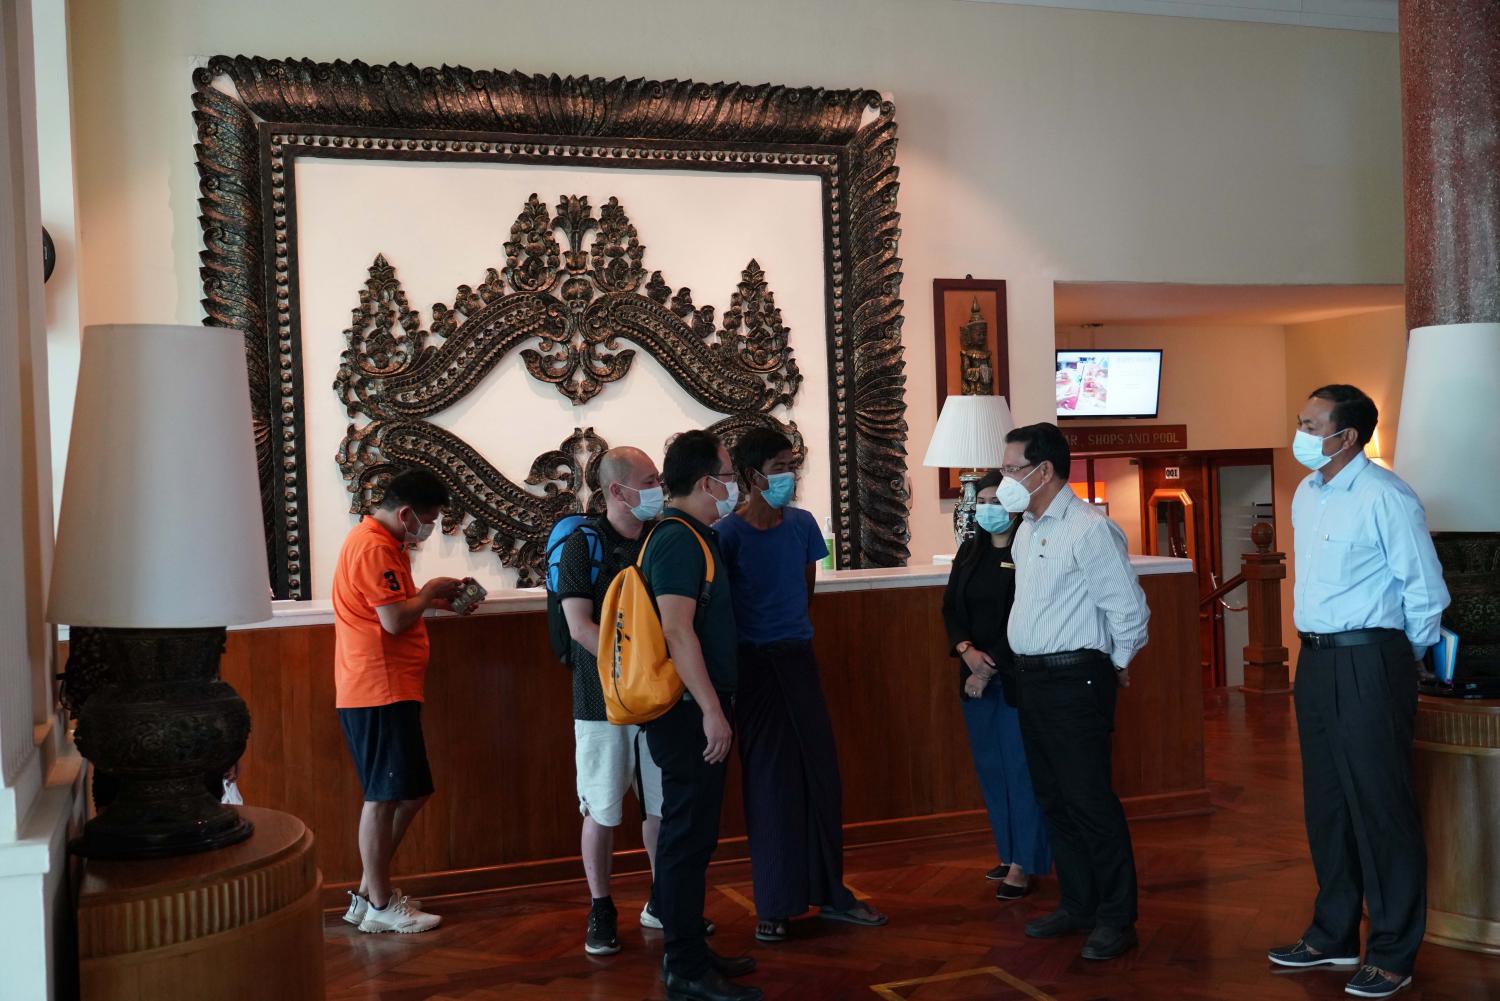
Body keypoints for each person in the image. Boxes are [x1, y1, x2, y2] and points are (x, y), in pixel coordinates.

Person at [1268, 385, 1449, 1000]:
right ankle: (1333, 934)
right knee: (1327, 804)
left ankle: (1393, 953)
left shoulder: (1386, 496)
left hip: (1371, 659)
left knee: (1380, 806)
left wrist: (1398, 658)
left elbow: (1425, 591)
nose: (1300, 433)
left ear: (1346, 437)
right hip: (1315, 661)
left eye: (1310, 424)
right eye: (1301, 421)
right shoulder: (1306, 493)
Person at [716, 428, 887, 944]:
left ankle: (831, 893)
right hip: (754, 668)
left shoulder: (803, 525)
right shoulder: (726, 535)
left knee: (821, 778)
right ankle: (774, 906)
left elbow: (804, 592)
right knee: (771, 784)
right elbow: (723, 611)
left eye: (793, 464)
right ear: (752, 476)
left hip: (798, 659)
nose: (790, 475)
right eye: (780, 466)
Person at [1000, 422, 1149, 961]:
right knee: (1054, 798)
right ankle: (1078, 904)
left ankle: (1116, 918)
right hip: (1032, 680)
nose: (1005, 478)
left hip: (1075, 679)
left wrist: (1116, 663)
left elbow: (1128, 609)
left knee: (1088, 801)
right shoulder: (1026, 529)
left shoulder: (1089, 529)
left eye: (1013, 468)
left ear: (1043, 471)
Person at [641, 430, 761, 1001]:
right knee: (686, 838)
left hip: (698, 708)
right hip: (688, 712)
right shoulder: (676, 539)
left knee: (694, 837)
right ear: (706, 481)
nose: (735, 484)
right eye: (729, 473)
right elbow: (676, 630)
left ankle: (688, 950)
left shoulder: (693, 535)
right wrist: (713, 710)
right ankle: (685, 966)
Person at [331, 468, 470, 934]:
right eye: (428, 520)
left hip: (387, 687)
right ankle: (378, 903)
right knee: (384, 797)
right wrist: (428, 593)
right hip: (379, 688)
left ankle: (368, 894)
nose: (429, 530)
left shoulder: (385, 544)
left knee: (407, 791)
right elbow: (392, 621)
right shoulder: (373, 547)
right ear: (407, 513)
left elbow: (394, 609)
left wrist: (434, 600)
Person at [556, 446, 668, 956]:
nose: (658, 488)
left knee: (661, 805)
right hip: (599, 698)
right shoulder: (583, 544)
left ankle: (663, 898)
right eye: (649, 481)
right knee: (601, 807)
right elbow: (578, 625)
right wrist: (629, 663)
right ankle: (601, 907)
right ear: (618, 490)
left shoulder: (661, 537)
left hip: (659, 695)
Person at [940, 471, 1051, 901]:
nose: (988, 509)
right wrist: (965, 649)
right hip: (973, 679)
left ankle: (1025, 862)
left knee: (1021, 770)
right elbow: (951, 608)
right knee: (992, 769)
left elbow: (1027, 613)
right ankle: (1007, 852)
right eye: (982, 501)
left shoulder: (1027, 549)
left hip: (1014, 676)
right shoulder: (971, 549)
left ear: (1014, 505)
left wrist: (987, 668)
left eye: (996, 501)